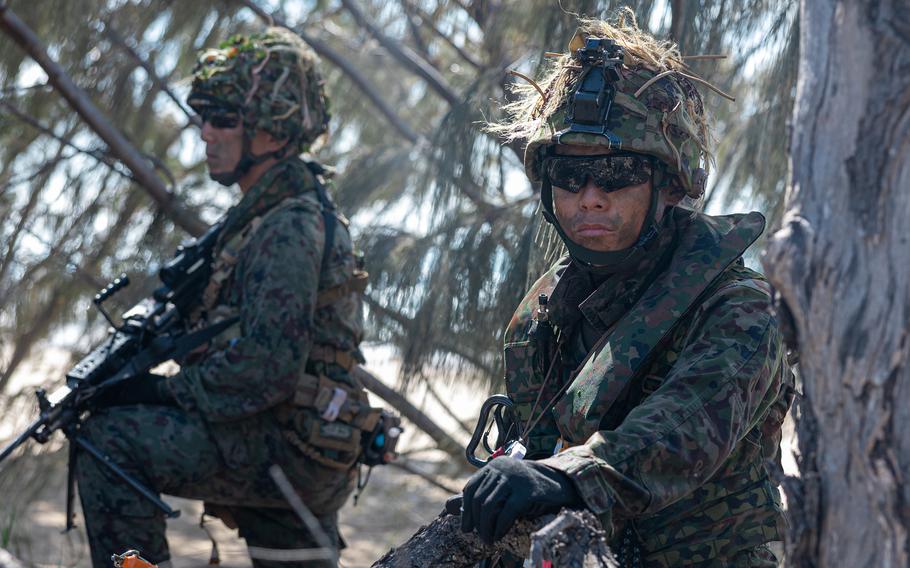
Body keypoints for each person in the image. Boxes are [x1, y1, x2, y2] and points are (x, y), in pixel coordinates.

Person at [456, 11, 795, 567]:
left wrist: (561, 477)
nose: (589, 197)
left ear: (668, 185)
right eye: (569, 177)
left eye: (616, 176)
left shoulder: (737, 305)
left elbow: (686, 428)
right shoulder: (544, 313)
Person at [76, 27, 375, 567]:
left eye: (224, 119)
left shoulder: (286, 226)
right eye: (203, 117)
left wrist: (164, 393)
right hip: (302, 440)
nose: (206, 133)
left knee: (107, 440)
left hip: (290, 446)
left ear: (272, 130)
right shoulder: (271, 213)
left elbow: (267, 366)